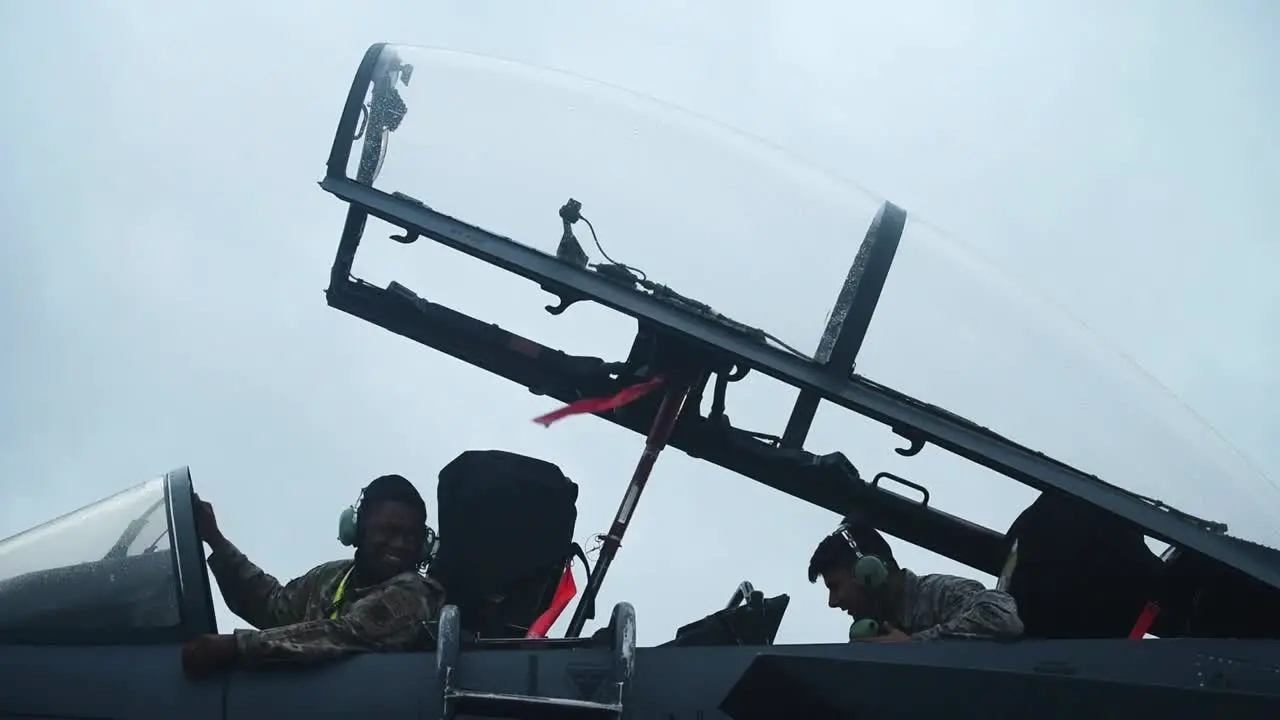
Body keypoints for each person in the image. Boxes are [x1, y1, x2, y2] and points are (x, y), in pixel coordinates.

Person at [182, 474, 445, 678]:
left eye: (411, 536)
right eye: (388, 531)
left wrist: (237, 647)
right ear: (358, 529)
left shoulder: (416, 594)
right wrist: (215, 540)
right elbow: (273, 606)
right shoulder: (332, 577)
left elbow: (347, 633)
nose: (400, 544)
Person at [807, 515, 1023, 643]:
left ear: (868, 571)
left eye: (835, 586)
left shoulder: (940, 593)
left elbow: (1002, 619)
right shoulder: (881, 629)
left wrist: (914, 645)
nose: (832, 602)